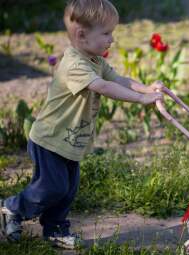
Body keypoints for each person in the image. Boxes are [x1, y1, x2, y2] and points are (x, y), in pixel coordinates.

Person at [0, 0, 164, 249]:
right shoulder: (74, 65)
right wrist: (142, 99)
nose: (112, 39)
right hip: (50, 140)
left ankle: (55, 229)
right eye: (107, 33)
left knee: (67, 191)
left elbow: (119, 79)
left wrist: (148, 88)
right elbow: (104, 87)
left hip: (70, 141)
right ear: (82, 35)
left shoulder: (95, 60)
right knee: (51, 187)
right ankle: (13, 207)